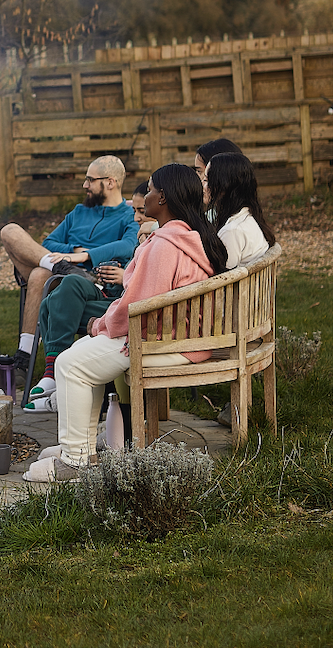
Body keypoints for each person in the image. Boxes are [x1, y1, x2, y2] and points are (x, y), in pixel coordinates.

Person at [24, 163, 228, 483]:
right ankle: (82, 448)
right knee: (78, 354)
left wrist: (99, 326)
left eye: (149, 189)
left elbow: (138, 306)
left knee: (70, 364)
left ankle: (75, 461)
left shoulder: (165, 245)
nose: (144, 196)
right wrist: (103, 326)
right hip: (176, 333)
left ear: (163, 198)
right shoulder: (187, 234)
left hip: (164, 339)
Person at [0, 156, 139, 394]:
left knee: (38, 276)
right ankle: (57, 269)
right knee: (10, 231)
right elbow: (48, 242)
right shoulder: (79, 212)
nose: (85, 185)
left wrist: (86, 256)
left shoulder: (129, 214)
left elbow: (128, 245)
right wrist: (71, 254)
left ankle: (23, 360)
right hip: (63, 271)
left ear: (111, 182)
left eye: (90, 180)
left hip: (93, 281)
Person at [23, 179, 157, 411]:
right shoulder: (80, 213)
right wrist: (78, 252)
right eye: (134, 210)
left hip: (130, 308)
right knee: (71, 284)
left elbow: (152, 284)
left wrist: (124, 275)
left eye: (141, 211)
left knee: (52, 305)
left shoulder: (158, 240)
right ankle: (55, 378)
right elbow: (49, 242)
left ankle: (55, 378)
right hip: (105, 290)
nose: (136, 218)